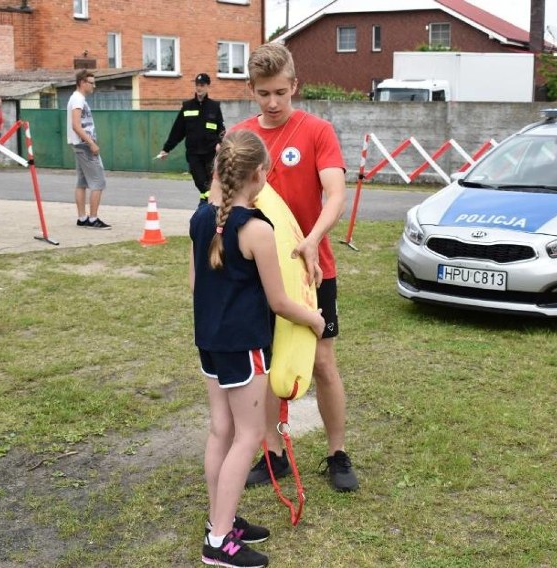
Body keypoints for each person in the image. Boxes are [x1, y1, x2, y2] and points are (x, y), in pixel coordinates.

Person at [211, 43, 359, 492]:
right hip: (254, 274)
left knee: (322, 362)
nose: (273, 103)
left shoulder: (317, 131)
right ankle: (273, 454)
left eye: (280, 92)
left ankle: (337, 453)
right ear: (251, 91)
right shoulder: (238, 135)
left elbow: (334, 194)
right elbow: (217, 196)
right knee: (265, 367)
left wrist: (313, 240)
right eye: (263, 94)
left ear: (295, 86)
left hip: (313, 269)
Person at [191, 130, 325, 567]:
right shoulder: (257, 230)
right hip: (243, 346)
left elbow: (194, 284)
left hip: (209, 342)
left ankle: (221, 519)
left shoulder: (199, 218)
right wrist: (315, 319)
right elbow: (279, 302)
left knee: (221, 431)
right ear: (261, 175)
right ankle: (218, 541)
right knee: (248, 435)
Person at [157, 73, 225, 203]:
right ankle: (211, 204)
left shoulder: (214, 107)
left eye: (202, 85)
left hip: (210, 153)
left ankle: (207, 206)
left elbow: (221, 129)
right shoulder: (187, 106)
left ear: (207, 86)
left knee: (210, 183)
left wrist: (220, 143)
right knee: (200, 182)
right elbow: (177, 131)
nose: (199, 88)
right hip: (194, 154)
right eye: (197, 85)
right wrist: (166, 149)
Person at [67, 69, 111, 229]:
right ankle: (93, 219)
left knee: (82, 182)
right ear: (82, 83)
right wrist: (91, 143)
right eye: (91, 83)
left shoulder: (76, 98)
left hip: (79, 145)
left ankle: (82, 218)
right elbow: (76, 125)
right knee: (98, 182)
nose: (94, 86)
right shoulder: (78, 99)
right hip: (84, 145)